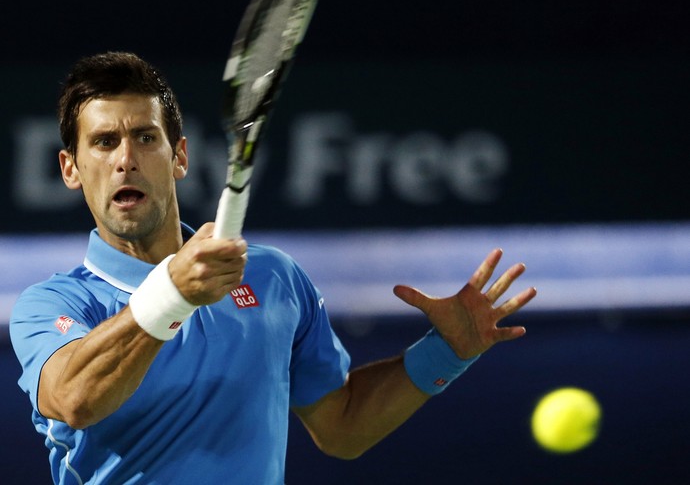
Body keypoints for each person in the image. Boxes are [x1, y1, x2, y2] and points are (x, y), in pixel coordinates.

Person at [10, 51, 537, 484]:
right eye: (104, 142)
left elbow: (342, 426)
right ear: (71, 169)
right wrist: (172, 292)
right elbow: (75, 399)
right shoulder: (52, 306)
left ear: (180, 157)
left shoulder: (273, 278)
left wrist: (445, 353)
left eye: (146, 137)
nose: (126, 158)